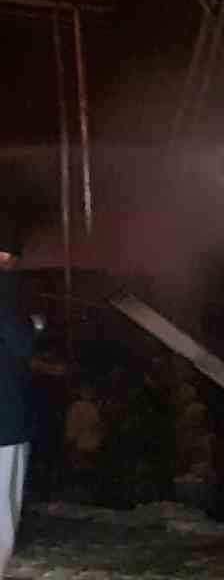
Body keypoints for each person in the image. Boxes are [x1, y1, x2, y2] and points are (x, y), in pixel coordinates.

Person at [0, 217, 37, 576]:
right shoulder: (6, 291)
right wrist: (35, 325)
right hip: (5, 418)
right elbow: (21, 343)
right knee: (2, 503)